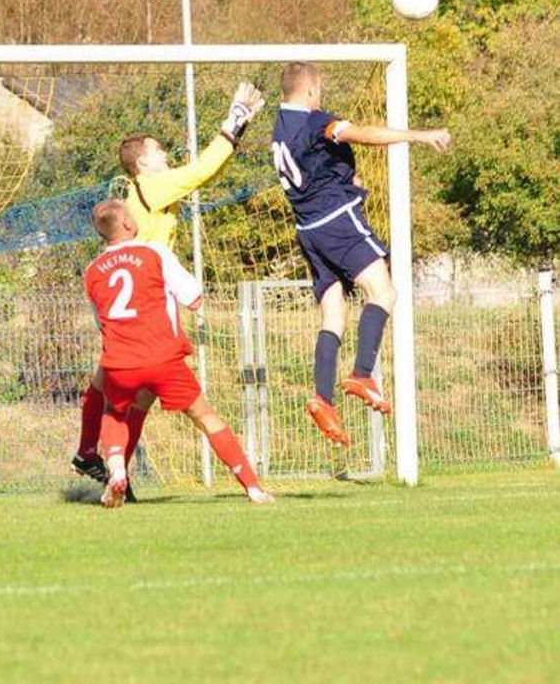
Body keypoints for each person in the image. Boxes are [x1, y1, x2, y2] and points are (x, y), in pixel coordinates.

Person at [73, 82, 266, 495]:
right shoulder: (153, 186)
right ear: (142, 161)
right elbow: (202, 171)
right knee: (162, 401)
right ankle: (94, 455)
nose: (166, 155)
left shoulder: (132, 200)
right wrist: (234, 122)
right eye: (159, 150)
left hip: (135, 299)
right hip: (152, 296)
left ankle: (105, 464)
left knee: (124, 391)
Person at [273, 62, 450, 445]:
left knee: (334, 313)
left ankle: (323, 397)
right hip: (337, 221)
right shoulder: (316, 120)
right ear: (309, 91)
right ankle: (362, 373)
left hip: (308, 230)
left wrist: (343, 177)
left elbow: (312, 165)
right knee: (383, 293)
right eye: (318, 91)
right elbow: (359, 134)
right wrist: (420, 135)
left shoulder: (280, 127)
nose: (320, 98)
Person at [83, 200, 272, 507]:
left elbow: (102, 321)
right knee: (205, 417)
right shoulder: (154, 252)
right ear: (130, 224)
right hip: (163, 356)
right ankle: (253, 488)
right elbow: (194, 297)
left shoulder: (91, 272)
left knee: (115, 412)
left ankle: (117, 470)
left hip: (121, 359)